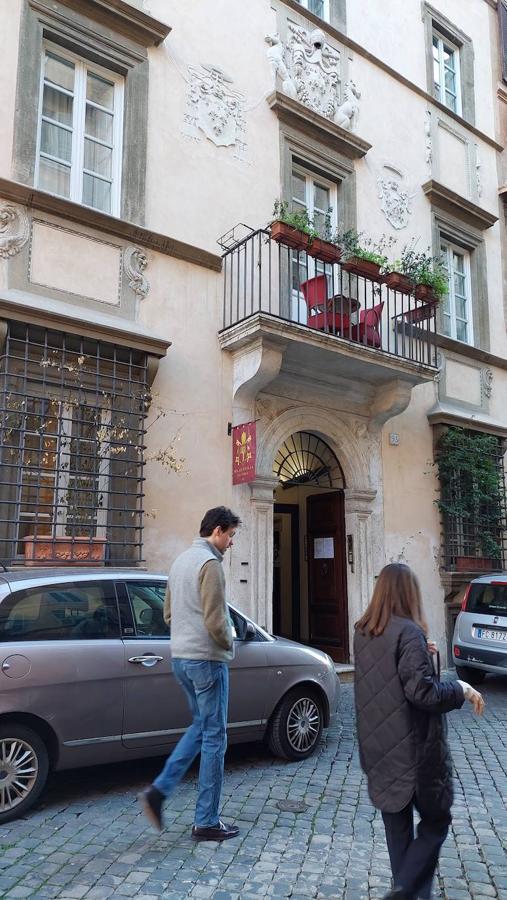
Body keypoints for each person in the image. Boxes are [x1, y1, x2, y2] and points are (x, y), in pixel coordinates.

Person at [354, 563, 485, 900]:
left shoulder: (364, 630)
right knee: (436, 822)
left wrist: (425, 656)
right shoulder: (408, 632)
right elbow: (423, 693)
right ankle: (403, 890)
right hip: (414, 751)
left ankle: (408, 891)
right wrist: (461, 689)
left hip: (379, 747)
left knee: (397, 832)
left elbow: (390, 678)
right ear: (408, 593)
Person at [139, 506, 241, 842]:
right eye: (230, 536)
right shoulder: (209, 564)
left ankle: (159, 791)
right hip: (207, 660)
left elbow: (168, 613)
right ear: (217, 531)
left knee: (201, 727)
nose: (230, 543)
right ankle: (206, 821)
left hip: (180, 657)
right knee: (215, 738)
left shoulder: (181, 560)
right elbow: (215, 620)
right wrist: (230, 641)